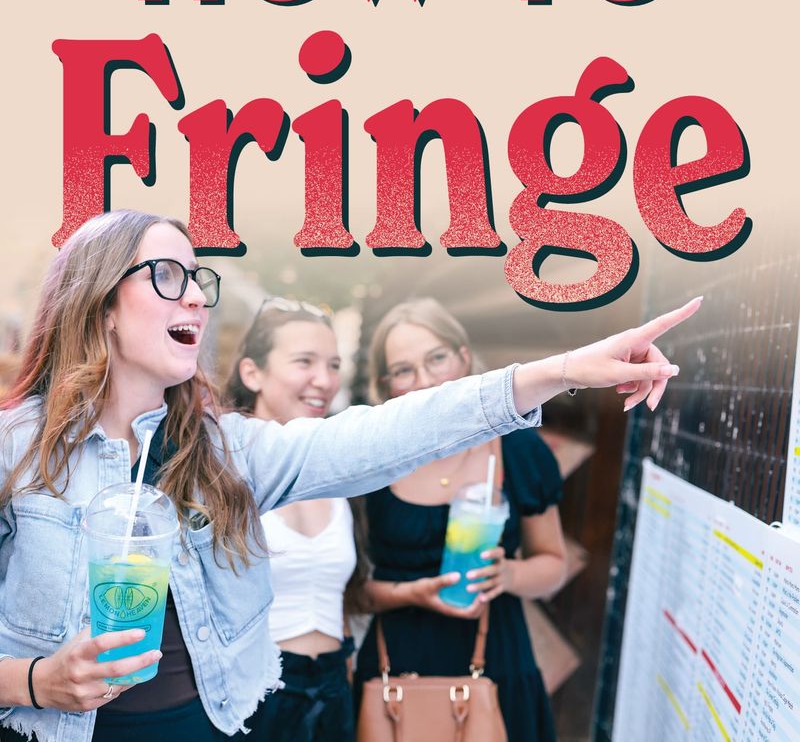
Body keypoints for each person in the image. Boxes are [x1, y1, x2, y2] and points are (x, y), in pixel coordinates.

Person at [0, 208, 699, 742]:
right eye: (168, 276)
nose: (195, 300)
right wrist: (37, 681)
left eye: (198, 281)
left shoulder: (223, 453)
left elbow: (383, 435)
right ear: (101, 302)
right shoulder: (15, 452)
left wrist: (563, 370)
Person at [354, 299, 573, 740]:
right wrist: (410, 593)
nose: (425, 380)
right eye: (403, 370)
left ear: (464, 357)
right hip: (395, 665)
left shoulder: (517, 450)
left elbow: (553, 565)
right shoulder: (370, 459)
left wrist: (509, 575)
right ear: (386, 385)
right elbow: (351, 594)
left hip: (496, 662)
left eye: (436, 358)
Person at [225, 298, 364, 742]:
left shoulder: (340, 471)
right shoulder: (223, 470)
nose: (324, 380)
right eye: (305, 362)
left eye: (333, 365)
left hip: (333, 691)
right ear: (253, 373)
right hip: (257, 696)